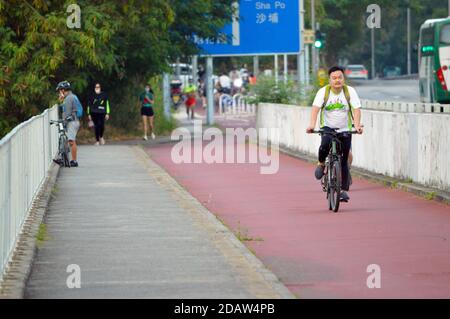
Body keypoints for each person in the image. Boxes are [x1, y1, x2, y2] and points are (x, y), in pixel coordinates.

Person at [306, 66, 363, 202]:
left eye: (340, 77)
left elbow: (356, 110)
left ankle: (342, 190)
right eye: (334, 78)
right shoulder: (323, 92)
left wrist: (357, 125)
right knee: (324, 146)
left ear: (344, 78)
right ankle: (321, 163)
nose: (337, 80)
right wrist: (312, 125)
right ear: (330, 80)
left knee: (343, 160)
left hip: (345, 129)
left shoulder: (350, 91)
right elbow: (315, 109)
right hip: (328, 127)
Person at [55, 80, 80, 167]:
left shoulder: (69, 98)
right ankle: (63, 158)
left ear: (63, 90)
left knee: (71, 141)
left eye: (60, 90)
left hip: (72, 122)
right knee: (67, 140)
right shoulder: (70, 97)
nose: (59, 92)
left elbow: (67, 112)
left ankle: (74, 161)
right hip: (73, 121)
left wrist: (63, 120)